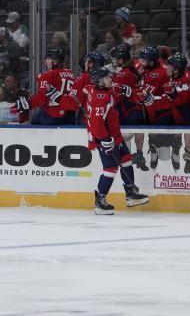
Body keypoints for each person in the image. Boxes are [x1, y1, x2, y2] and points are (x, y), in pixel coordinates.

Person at [86, 67, 149, 215]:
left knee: (126, 160)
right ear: (100, 82)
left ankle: (131, 194)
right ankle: (100, 201)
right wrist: (104, 139)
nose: (111, 79)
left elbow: (118, 91)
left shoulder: (102, 90)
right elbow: (96, 123)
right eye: (107, 78)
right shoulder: (100, 98)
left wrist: (131, 91)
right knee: (110, 169)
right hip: (104, 139)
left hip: (115, 136)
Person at [12, 48, 76, 125]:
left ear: (55, 61)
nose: (46, 62)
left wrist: (27, 103)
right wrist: (41, 79)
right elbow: (59, 83)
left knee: (33, 121)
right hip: (70, 116)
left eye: (48, 59)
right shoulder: (71, 74)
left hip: (53, 116)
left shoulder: (48, 74)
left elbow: (41, 98)